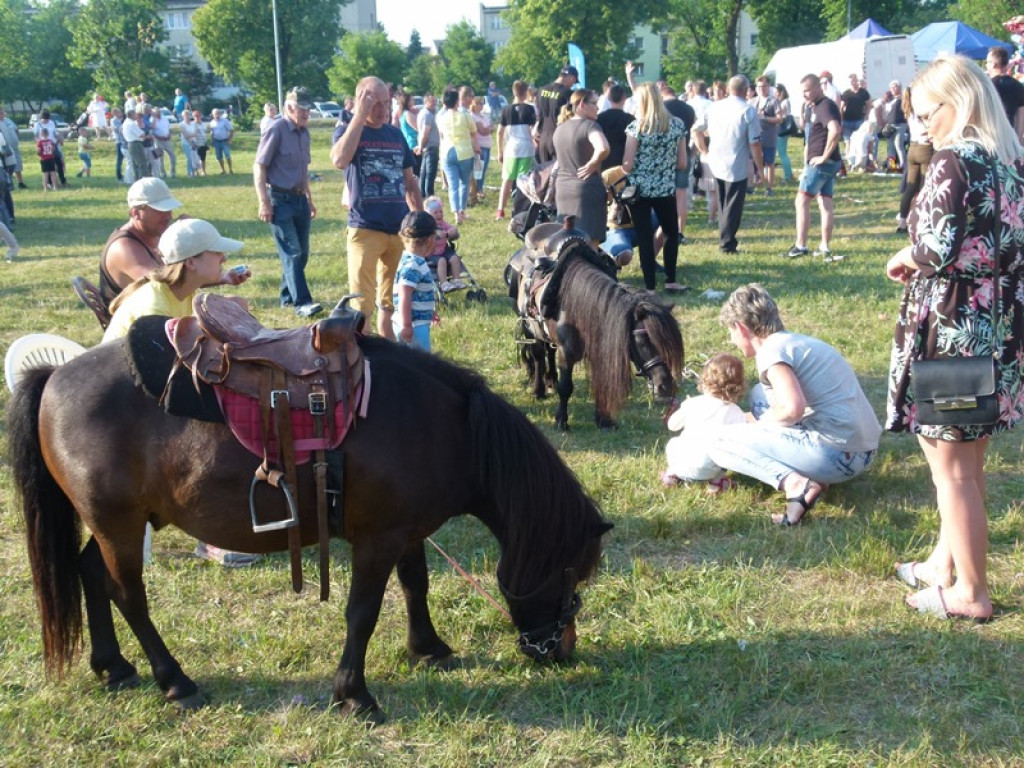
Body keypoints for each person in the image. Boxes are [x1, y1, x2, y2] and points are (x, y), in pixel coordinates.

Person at [884, 55, 1024, 623]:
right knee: (968, 462)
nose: (921, 126)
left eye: (926, 113)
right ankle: (944, 564)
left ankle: (970, 592)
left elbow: (937, 249)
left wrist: (904, 254)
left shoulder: (954, 161)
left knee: (953, 468)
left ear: (959, 102)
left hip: (953, 330)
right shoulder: (1010, 160)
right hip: (997, 328)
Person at [709, 283, 881, 525]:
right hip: (864, 450)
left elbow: (792, 409)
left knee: (718, 442)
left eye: (730, 331)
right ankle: (819, 478)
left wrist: (759, 426)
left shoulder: (771, 352)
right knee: (759, 395)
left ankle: (797, 485)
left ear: (741, 328)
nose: (731, 339)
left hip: (838, 455)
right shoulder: (797, 342)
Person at [330, 75, 423, 339]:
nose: (383, 110)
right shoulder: (348, 131)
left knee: (391, 300)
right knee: (362, 304)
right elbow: (339, 160)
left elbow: (409, 181)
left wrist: (420, 218)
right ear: (360, 103)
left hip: (398, 229)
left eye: (386, 103)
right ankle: (362, 353)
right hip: (365, 229)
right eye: (375, 104)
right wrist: (359, 117)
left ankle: (387, 349)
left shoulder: (395, 134)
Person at [254, 86, 322, 318]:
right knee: (292, 252)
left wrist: (309, 199)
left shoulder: (304, 133)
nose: (306, 114)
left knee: (302, 254)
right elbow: (259, 166)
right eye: (302, 109)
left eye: (308, 110)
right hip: (279, 199)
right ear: (289, 108)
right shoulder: (276, 130)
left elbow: (303, 170)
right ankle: (302, 303)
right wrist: (264, 202)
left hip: (299, 198)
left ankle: (287, 297)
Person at [620, 82, 688, 293]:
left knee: (644, 237)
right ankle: (671, 280)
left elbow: (627, 164)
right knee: (671, 232)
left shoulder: (636, 127)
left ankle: (649, 286)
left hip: (639, 191)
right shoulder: (677, 125)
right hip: (665, 189)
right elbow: (682, 163)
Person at [694, 75, 763, 255]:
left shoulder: (714, 107)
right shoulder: (748, 111)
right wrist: (760, 168)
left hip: (716, 161)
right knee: (733, 206)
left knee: (723, 202)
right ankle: (727, 243)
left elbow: (696, 129)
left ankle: (725, 238)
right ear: (745, 90)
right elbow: (755, 143)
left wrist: (703, 150)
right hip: (736, 164)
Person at [661, 353, 747, 493]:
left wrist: (684, 408)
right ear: (738, 386)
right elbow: (742, 441)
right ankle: (717, 482)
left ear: (705, 380)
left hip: (679, 461)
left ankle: (672, 474)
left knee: (673, 442)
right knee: (730, 450)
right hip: (708, 468)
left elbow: (672, 425)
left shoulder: (692, 403)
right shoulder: (735, 412)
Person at [785, 73, 842, 261]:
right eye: (802, 92)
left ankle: (801, 245)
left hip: (822, 164)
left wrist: (824, 156)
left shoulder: (825, 106)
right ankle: (824, 246)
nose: (804, 95)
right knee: (825, 203)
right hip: (829, 163)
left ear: (818, 88)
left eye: (807, 91)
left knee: (801, 201)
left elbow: (835, 130)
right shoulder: (817, 106)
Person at [552, 89, 609, 246]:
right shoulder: (590, 126)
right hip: (586, 191)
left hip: (563, 190)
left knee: (566, 242)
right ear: (582, 104)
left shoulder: (559, 128)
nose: (598, 107)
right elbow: (603, 147)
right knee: (590, 244)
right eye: (594, 103)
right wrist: (593, 163)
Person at [393, 210, 441, 351]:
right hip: (413, 326)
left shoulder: (409, 259)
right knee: (421, 361)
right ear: (429, 239)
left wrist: (428, 311)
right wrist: (407, 325)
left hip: (413, 322)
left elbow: (416, 294)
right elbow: (404, 295)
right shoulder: (414, 265)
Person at [436, 88, 478, 224]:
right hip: (464, 151)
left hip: (447, 152)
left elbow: (441, 136)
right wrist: (477, 147)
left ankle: (455, 213)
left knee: (452, 185)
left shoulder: (441, 118)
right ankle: (462, 211)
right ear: (457, 102)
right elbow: (473, 133)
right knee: (464, 183)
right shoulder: (465, 116)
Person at [495, 80, 536, 220]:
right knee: (522, 180)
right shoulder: (530, 109)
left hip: (511, 148)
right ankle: (519, 208)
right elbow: (533, 131)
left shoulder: (506, 110)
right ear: (526, 92)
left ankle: (500, 210)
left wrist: (500, 151)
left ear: (514, 92)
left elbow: (499, 132)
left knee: (507, 180)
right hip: (526, 148)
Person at [659, 84, 695, 243]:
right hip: (683, 153)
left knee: (663, 195)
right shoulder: (689, 109)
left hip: (664, 155)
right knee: (681, 194)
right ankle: (679, 231)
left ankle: (663, 229)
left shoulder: (661, 108)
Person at [896, 86, 932, 234]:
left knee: (910, 187)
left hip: (912, 147)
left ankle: (902, 222)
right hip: (925, 148)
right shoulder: (921, 109)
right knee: (924, 187)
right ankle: (922, 221)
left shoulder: (908, 108)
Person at [535, 64, 578, 163]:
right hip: (558, 137)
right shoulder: (568, 93)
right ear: (572, 78)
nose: (573, 85)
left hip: (542, 137)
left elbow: (537, 113)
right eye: (574, 82)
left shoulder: (541, 90)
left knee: (544, 170)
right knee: (560, 170)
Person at [424, 196, 464, 291]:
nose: (439, 214)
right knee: (441, 261)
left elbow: (452, 229)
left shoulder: (443, 223)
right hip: (431, 253)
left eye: (441, 212)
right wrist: (435, 234)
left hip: (443, 249)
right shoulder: (427, 225)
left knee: (454, 258)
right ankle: (444, 283)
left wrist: (452, 231)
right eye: (435, 213)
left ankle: (457, 280)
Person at [985, 46, 1024, 137]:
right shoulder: (1019, 87)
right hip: (1009, 137)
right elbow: (1021, 118)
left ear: (993, 64)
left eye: (987, 62)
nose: (986, 65)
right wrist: (1017, 140)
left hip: (990, 136)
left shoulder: (987, 87)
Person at [596, 83, 635, 170]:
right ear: (624, 98)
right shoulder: (630, 119)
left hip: (604, 160)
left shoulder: (599, 118)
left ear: (608, 98)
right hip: (623, 161)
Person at [753, 77, 781, 196]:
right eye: (759, 86)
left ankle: (769, 187)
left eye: (764, 86)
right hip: (755, 137)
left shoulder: (773, 101)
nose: (761, 89)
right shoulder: (753, 101)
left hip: (769, 137)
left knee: (769, 162)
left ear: (769, 87)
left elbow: (779, 119)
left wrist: (765, 118)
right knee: (754, 161)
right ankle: (755, 183)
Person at [415, 93, 441, 198]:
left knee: (424, 172)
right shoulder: (427, 115)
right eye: (432, 101)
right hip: (430, 146)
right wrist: (420, 146)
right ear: (426, 102)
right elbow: (425, 132)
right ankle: (429, 195)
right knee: (430, 173)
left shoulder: (424, 113)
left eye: (435, 101)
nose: (435, 103)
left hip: (428, 146)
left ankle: (422, 194)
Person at [469, 95, 493, 204]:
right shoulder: (473, 117)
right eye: (480, 103)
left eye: (482, 103)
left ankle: (480, 187)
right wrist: (488, 128)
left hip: (487, 145)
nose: (482, 105)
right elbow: (483, 131)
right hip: (480, 145)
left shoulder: (483, 116)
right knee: (479, 169)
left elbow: (490, 127)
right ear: (474, 105)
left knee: (484, 169)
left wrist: (488, 128)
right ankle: (477, 189)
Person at [0, 108, 26, 189]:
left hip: (14, 147)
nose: (2, 114)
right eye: (1, 113)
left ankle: (20, 183)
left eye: (2, 112)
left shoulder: (8, 120)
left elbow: (16, 129)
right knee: (8, 166)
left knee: (17, 164)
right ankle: (9, 184)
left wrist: (17, 138)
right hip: (5, 149)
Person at [774, 84, 795, 184]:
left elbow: (779, 114)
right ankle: (789, 173)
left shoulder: (784, 102)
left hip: (781, 130)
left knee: (782, 154)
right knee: (783, 153)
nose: (774, 93)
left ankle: (787, 175)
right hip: (784, 130)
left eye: (776, 92)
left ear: (780, 92)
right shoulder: (785, 101)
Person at [121, 109, 149, 182]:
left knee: (135, 163)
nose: (136, 116)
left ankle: (137, 179)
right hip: (135, 143)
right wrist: (145, 135)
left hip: (130, 143)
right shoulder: (132, 124)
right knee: (142, 162)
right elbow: (141, 134)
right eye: (135, 114)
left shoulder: (125, 122)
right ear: (132, 115)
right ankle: (144, 179)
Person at [151, 106, 176, 178]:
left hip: (167, 139)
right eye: (156, 113)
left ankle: (172, 172)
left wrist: (169, 135)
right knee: (160, 158)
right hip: (158, 140)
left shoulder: (164, 118)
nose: (158, 114)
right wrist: (158, 137)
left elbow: (168, 128)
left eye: (159, 112)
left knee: (172, 156)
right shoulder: (152, 120)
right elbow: (152, 130)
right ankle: (162, 173)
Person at [209, 108, 234, 174]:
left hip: (224, 141)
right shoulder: (212, 122)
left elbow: (231, 130)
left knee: (227, 155)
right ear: (213, 115)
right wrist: (212, 141)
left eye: (218, 113)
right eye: (215, 114)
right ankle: (223, 170)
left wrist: (229, 139)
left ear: (220, 114)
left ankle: (230, 169)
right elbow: (211, 132)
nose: (217, 115)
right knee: (219, 157)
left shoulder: (225, 121)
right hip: (216, 141)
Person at [179, 111, 199, 178]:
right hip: (186, 143)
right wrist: (191, 139)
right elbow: (186, 135)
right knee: (189, 158)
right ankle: (189, 173)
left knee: (194, 158)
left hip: (194, 142)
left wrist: (191, 136)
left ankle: (194, 172)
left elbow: (196, 133)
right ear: (183, 116)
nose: (187, 117)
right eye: (185, 115)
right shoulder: (181, 124)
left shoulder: (193, 124)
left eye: (188, 115)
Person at [192, 110, 208, 176]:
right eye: (195, 116)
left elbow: (205, 133)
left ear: (201, 116)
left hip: (203, 143)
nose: (197, 117)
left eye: (198, 115)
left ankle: (203, 171)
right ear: (193, 117)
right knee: (196, 159)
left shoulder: (204, 124)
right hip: (195, 144)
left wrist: (206, 142)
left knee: (203, 158)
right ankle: (196, 171)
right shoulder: (192, 124)